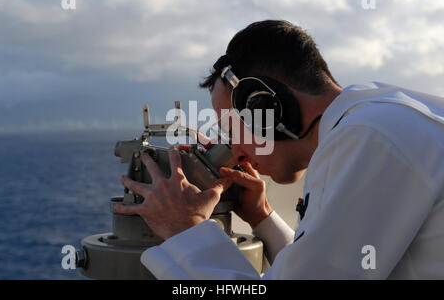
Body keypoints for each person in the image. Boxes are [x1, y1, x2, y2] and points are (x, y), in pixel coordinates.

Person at [115, 20, 444, 279]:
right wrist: (262, 218)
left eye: (231, 131)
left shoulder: (370, 139)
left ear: (267, 106)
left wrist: (184, 229)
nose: (239, 155)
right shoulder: (377, 118)